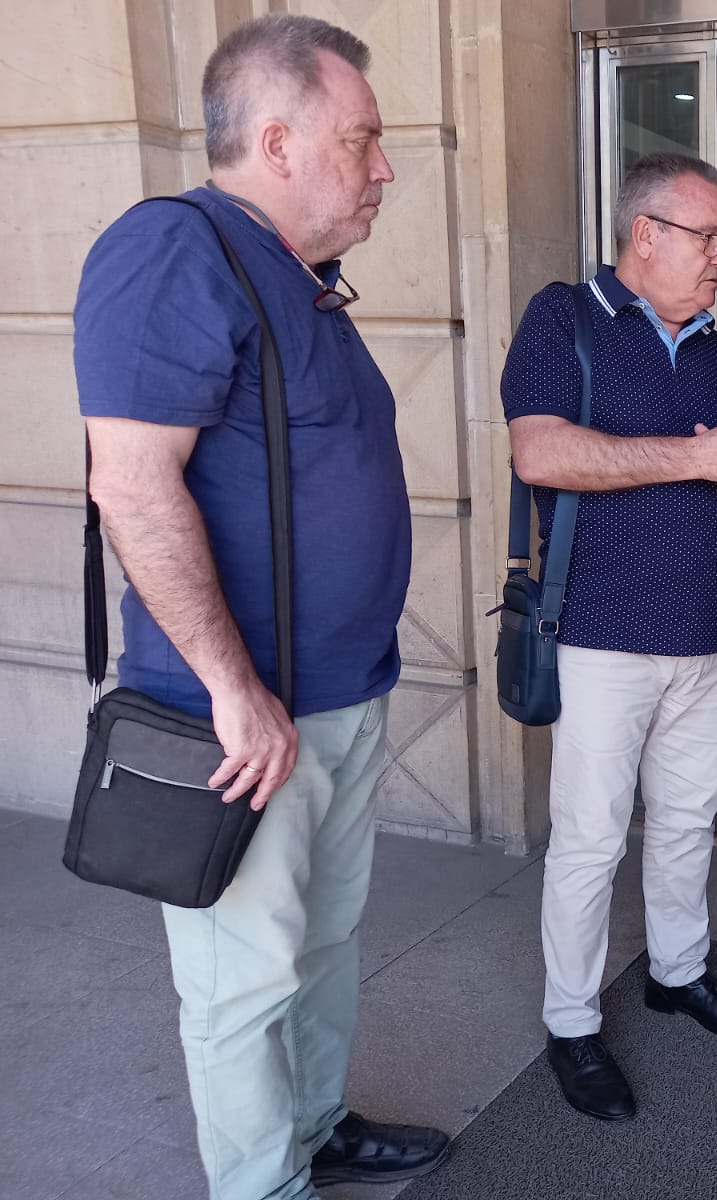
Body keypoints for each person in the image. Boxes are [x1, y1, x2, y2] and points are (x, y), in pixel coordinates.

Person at [74, 14, 448, 1200]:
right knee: (240, 986)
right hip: (241, 726)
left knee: (324, 946)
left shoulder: (297, 277)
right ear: (278, 141)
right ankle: (262, 1186)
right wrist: (237, 694)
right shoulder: (173, 250)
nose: (384, 166)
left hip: (338, 697)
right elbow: (131, 480)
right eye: (365, 139)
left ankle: (318, 1128)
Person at [502, 152, 717, 1122]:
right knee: (588, 840)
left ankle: (677, 972)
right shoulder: (564, 319)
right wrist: (699, 456)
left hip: (709, 635)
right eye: (708, 238)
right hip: (600, 634)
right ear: (647, 235)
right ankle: (572, 1023)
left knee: (682, 822)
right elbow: (540, 450)